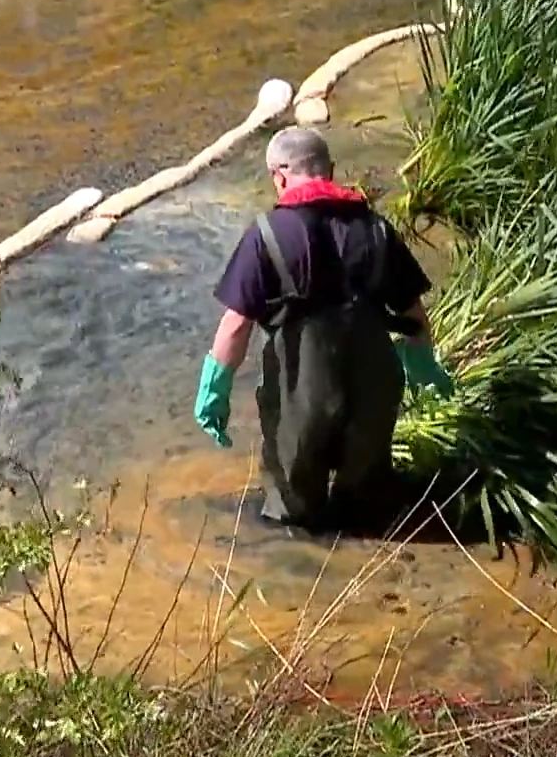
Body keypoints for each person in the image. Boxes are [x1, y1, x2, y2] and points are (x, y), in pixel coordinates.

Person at [193, 126, 455, 531]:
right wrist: (424, 367)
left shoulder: (266, 235)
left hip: (302, 390)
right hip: (373, 388)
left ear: (279, 176)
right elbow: (414, 315)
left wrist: (216, 389)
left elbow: (236, 326)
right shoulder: (376, 230)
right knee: (367, 505)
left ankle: (307, 575)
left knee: (293, 509)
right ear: (330, 171)